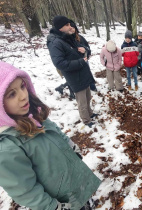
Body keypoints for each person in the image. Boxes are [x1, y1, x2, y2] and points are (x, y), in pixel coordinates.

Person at [0, 61, 101, 210]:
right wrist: (53, 207)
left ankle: (85, 201)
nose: (23, 96)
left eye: (22, 86)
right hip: (59, 200)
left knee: (82, 199)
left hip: (71, 178)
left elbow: (56, 131)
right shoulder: (7, 148)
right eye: (12, 94)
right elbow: (25, 190)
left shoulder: (33, 114)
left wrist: (70, 145)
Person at [47, 15, 96, 128]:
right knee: (82, 101)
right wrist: (80, 62)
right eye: (67, 25)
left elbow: (83, 48)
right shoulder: (55, 42)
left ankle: (90, 114)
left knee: (88, 97)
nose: (70, 27)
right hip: (75, 77)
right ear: (60, 28)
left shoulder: (68, 37)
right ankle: (86, 120)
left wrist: (86, 50)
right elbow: (59, 63)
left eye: (70, 24)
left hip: (83, 73)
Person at [70, 20, 97, 92]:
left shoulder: (80, 38)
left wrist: (85, 50)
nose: (71, 29)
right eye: (70, 28)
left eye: (73, 27)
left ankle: (92, 87)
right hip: (73, 62)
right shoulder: (66, 40)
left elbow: (88, 48)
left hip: (84, 60)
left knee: (87, 73)